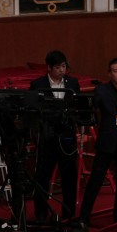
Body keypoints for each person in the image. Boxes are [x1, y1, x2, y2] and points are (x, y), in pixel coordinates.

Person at [80, 57, 117, 225]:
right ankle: (84, 216)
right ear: (109, 73)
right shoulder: (101, 91)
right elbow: (91, 112)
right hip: (107, 142)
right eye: (115, 71)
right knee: (96, 180)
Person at [28, 50, 81, 220]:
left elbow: (77, 108)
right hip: (47, 138)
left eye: (64, 66)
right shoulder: (38, 84)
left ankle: (69, 213)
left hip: (67, 138)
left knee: (69, 179)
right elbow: (33, 112)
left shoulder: (73, 83)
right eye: (58, 67)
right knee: (42, 177)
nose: (61, 70)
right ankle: (41, 214)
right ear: (49, 67)